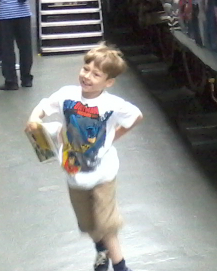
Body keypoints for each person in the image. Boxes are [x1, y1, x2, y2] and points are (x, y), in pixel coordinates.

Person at [25, 45, 143, 271]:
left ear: (108, 82)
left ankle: (120, 266)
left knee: (106, 223)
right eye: (85, 69)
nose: (87, 76)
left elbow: (136, 116)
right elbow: (43, 107)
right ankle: (101, 249)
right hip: (74, 173)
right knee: (88, 223)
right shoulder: (66, 95)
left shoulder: (112, 104)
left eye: (96, 74)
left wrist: (114, 136)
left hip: (103, 174)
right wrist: (33, 118)